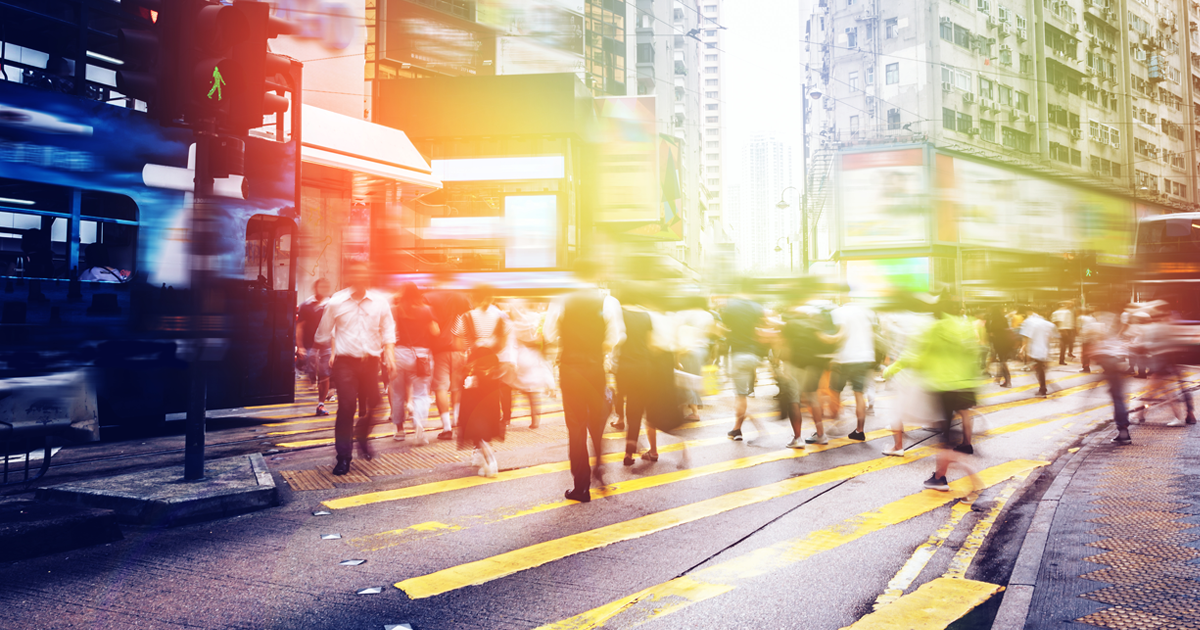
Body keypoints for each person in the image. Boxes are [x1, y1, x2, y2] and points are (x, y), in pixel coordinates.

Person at [883, 295, 983, 493]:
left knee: (944, 437)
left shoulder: (935, 328)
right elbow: (975, 354)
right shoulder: (967, 327)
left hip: (943, 386)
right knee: (948, 435)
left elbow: (917, 357)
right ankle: (939, 476)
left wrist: (890, 370)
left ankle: (964, 479)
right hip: (966, 385)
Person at [543, 260, 625, 503]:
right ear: (596, 275)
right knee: (597, 421)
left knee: (576, 427)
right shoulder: (608, 302)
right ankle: (599, 461)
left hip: (570, 370)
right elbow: (617, 337)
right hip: (595, 369)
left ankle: (581, 486)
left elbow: (549, 334)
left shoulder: (561, 300)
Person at [313, 263, 397, 476]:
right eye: (356, 274)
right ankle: (343, 457)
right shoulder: (336, 302)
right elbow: (322, 333)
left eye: (364, 274)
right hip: (345, 363)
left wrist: (390, 354)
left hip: (370, 362)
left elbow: (388, 329)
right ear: (349, 277)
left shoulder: (379, 302)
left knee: (376, 402)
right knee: (347, 406)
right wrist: (320, 355)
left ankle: (362, 433)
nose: (360, 278)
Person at [452, 284, 511, 477]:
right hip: (492, 372)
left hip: (473, 371)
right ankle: (478, 452)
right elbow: (502, 345)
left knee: (472, 413)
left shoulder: (465, 317)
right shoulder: (502, 317)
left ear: (472, 298)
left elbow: (458, 344)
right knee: (489, 411)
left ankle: (488, 458)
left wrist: (473, 345)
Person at [781, 306, 838, 448]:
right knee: (813, 398)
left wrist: (785, 368)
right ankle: (821, 435)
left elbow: (786, 347)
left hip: (797, 366)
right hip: (815, 366)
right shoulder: (813, 325)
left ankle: (797, 439)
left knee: (794, 401)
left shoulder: (790, 324)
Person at [390, 282, 439, 445]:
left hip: (399, 354)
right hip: (421, 356)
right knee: (420, 393)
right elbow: (435, 332)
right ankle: (418, 424)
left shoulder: (395, 310)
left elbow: (389, 331)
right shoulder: (426, 310)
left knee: (397, 394)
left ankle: (399, 431)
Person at [425, 272, 471, 441]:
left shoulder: (429, 298)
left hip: (439, 349)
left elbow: (428, 325)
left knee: (441, 388)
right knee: (457, 387)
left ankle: (446, 428)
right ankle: (457, 420)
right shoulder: (463, 297)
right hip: (460, 348)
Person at [825, 296, 878, 442]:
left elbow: (839, 334)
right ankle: (859, 430)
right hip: (864, 357)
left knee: (834, 392)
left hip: (843, 358)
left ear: (841, 298)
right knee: (859, 394)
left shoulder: (837, 312)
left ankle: (831, 426)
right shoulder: (867, 312)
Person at [721, 280, 765, 442]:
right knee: (744, 394)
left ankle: (740, 429)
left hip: (738, 355)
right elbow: (762, 330)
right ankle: (736, 428)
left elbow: (723, 328)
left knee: (740, 396)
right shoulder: (757, 307)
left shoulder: (731, 305)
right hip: (753, 356)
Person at [502, 300, 554, 429]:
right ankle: (535, 420)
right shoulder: (536, 320)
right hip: (534, 359)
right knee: (533, 392)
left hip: (521, 358)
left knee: (514, 389)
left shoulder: (514, 324)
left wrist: (512, 361)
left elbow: (512, 344)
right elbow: (544, 338)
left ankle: (507, 417)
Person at [296, 278, 333, 416]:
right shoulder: (306, 305)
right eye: (321, 286)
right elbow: (300, 327)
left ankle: (321, 404)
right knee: (312, 371)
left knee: (325, 375)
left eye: (326, 286)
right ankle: (311, 378)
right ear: (315, 288)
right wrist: (300, 346)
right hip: (310, 346)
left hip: (326, 345)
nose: (324, 289)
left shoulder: (331, 304)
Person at [674, 296, 714, 421]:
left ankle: (694, 411)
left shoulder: (684, 314)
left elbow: (678, 332)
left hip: (689, 350)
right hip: (703, 350)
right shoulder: (708, 315)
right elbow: (711, 334)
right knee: (696, 378)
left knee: (687, 381)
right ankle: (696, 403)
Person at [1020, 308, 1057, 397]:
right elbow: (1051, 336)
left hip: (1036, 350)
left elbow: (1026, 338)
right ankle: (1043, 387)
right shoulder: (1046, 323)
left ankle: (1043, 389)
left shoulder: (1029, 322)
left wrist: (1023, 349)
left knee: (1039, 369)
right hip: (1044, 350)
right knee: (1040, 369)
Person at [986, 305, 1015, 388]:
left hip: (998, 344)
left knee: (1002, 362)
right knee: (1002, 361)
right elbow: (1007, 329)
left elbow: (991, 334)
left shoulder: (992, 321)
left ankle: (1007, 380)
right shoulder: (1003, 319)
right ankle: (1002, 379)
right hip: (1005, 343)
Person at [1077, 307, 1099, 373]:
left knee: (1085, 353)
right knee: (1091, 352)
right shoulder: (1093, 318)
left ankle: (1086, 367)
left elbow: (1078, 328)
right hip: (1092, 337)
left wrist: (1080, 335)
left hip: (1085, 337)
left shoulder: (1080, 318)